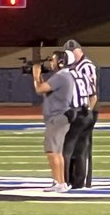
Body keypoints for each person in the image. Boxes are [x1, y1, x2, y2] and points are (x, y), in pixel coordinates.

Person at [31, 49, 77, 193]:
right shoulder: (65, 75)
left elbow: (40, 89)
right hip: (61, 116)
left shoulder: (61, 76)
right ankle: (60, 182)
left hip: (57, 117)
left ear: (61, 62)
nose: (51, 63)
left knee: (52, 151)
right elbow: (46, 89)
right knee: (57, 152)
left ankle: (60, 183)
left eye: (53, 60)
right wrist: (40, 77)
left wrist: (36, 76)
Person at [64, 38, 99, 189]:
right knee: (75, 147)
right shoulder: (76, 67)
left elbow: (92, 93)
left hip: (85, 109)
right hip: (79, 110)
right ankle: (73, 179)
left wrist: (87, 111)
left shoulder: (86, 66)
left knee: (81, 147)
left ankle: (81, 180)